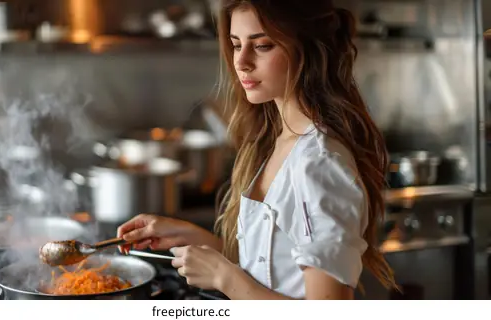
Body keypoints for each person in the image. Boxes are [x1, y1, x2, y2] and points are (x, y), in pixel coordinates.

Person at [117, 0, 398, 300]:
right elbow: (274, 268)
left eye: (262, 46)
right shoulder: (278, 140)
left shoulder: (318, 163)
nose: (242, 62)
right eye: (237, 45)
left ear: (309, 50)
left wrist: (224, 276)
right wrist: (196, 240)